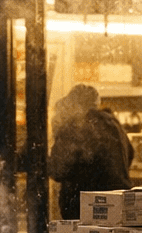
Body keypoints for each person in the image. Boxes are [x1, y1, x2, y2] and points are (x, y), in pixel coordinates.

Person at [48, 84, 134, 220]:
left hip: (86, 210)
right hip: (120, 204)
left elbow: (58, 169)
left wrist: (39, 159)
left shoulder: (76, 126)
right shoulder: (114, 124)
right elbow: (130, 154)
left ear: (76, 106)